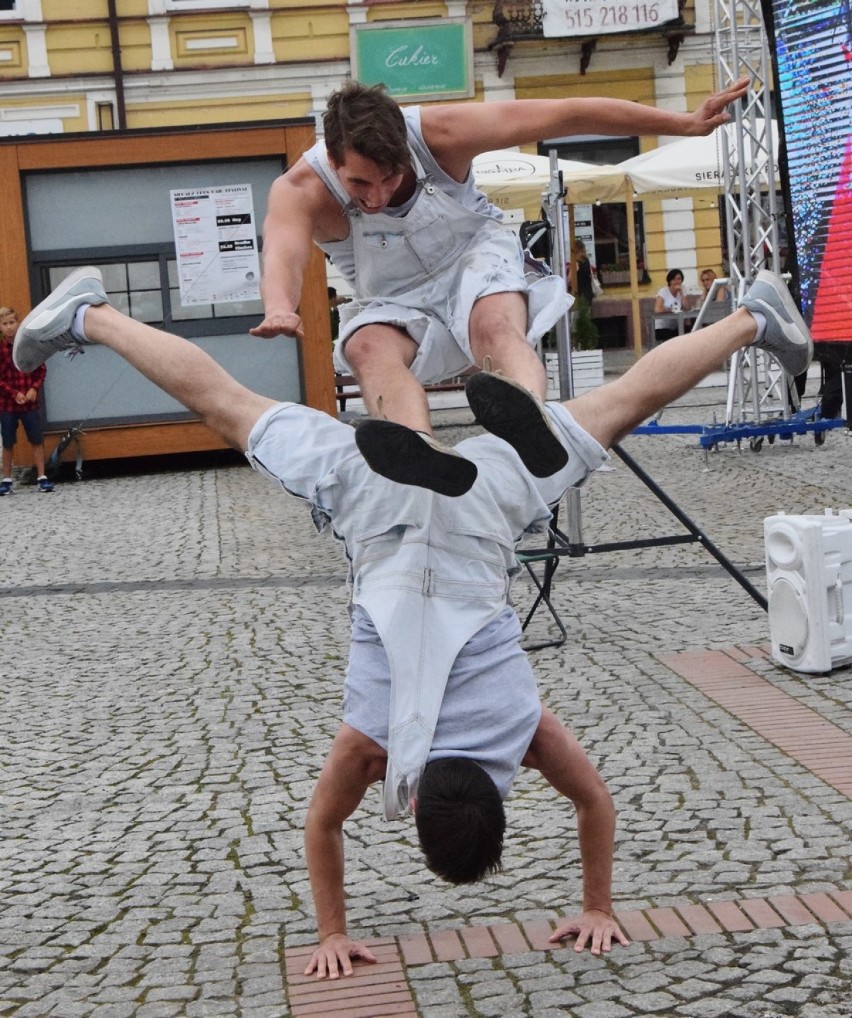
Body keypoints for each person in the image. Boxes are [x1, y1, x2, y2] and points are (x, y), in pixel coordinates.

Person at [14, 264, 811, 979]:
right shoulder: (374, 743)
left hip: (480, 514)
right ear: (418, 792)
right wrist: (334, 931)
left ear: (502, 797)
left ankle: (748, 317)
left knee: (620, 404)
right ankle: (93, 316)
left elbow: (592, 803)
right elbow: (322, 825)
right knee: (230, 408)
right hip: (378, 512)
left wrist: (600, 904)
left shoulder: (521, 733)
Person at [250, 77, 751, 495]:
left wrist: (682, 123)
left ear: (405, 148)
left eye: (391, 177)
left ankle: (532, 419)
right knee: (364, 344)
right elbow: (284, 247)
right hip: (396, 297)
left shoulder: (442, 133)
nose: (378, 195)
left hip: (473, 257)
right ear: (334, 160)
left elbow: (567, 115)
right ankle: (417, 450)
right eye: (361, 185)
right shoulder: (301, 188)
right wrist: (280, 304)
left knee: (491, 323)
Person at [0, 305, 54, 495]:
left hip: (30, 403)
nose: (9, 327)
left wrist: (33, 388)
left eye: (12, 322)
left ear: (18, 323)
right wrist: (13, 392)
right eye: (4, 324)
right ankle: (6, 479)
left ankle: (42, 477)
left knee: (36, 439)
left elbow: (41, 369)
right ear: (0, 327)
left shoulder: (28, 346)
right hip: (7, 404)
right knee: (7, 441)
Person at [653, 268, 690, 342]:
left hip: (677, 327)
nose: (676, 282)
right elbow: (657, 309)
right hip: (662, 328)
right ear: (669, 281)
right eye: (673, 279)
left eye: (679, 279)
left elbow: (687, 308)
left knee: (690, 330)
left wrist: (681, 293)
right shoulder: (663, 291)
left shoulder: (682, 290)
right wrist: (669, 310)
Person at [571, 239, 595, 306]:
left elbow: (569, 279)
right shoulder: (586, 260)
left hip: (580, 295)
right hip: (588, 293)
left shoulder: (576, 263)